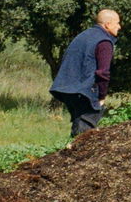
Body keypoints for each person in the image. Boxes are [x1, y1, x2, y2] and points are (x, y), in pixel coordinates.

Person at [50, 9, 122, 137]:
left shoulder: (83, 36)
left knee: (78, 130)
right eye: (117, 23)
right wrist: (101, 96)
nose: (119, 27)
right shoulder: (104, 42)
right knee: (85, 135)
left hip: (68, 89)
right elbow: (103, 73)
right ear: (108, 24)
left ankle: (71, 147)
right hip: (85, 92)